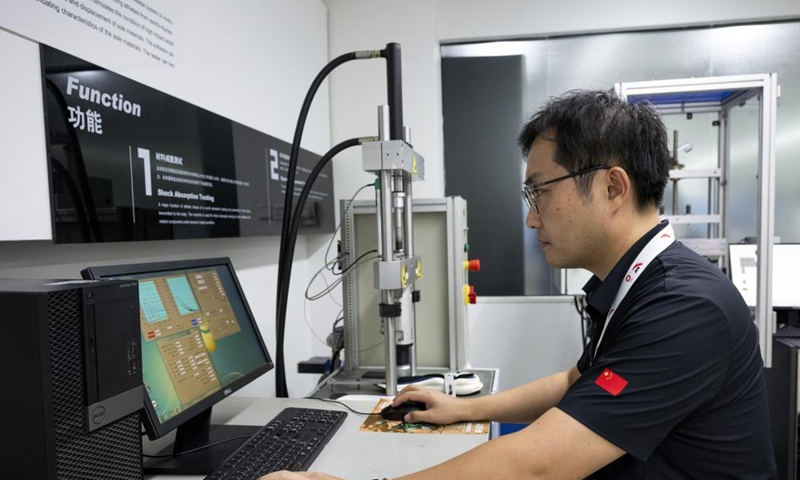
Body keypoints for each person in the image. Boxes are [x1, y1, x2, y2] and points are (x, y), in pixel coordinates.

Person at [260, 89, 778, 479]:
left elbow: (541, 466)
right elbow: (575, 383)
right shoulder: (633, 286)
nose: (532, 221)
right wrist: (462, 408)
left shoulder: (683, 307)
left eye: (539, 192)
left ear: (612, 186)